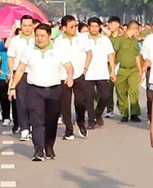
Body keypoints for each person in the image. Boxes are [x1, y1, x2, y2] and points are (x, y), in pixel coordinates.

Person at [11, 22, 74, 162]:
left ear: (49, 36)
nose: (39, 38)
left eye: (42, 36)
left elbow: (69, 66)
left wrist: (70, 76)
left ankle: (49, 146)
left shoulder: (58, 51)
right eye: (37, 36)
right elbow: (20, 70)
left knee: (51, 121)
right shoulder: (29, 51)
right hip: (35, 91)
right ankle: (38, 149)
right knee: (37, 121)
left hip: (54, 91)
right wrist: (12, 86)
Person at [84, 17, 116, 128]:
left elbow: (110, 55)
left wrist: (112, 71)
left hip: (102, 72)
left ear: (100, 27)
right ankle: (91, 121)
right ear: (88, 27)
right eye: (91, 26)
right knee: (89, 98)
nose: (94, 29)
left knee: (105, 96)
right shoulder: (83, 39)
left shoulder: (105, 40)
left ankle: (98, 114)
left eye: (96, 26)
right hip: (88, 73)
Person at [112, 20, 143, 122]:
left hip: (133, 69)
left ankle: (134, 113)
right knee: (121, 91)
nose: (137, 32)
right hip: (122, 69)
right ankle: (124, 113)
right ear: (133, 29)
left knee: (134, 91)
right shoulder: (119, 40)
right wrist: (113, 69)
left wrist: (140, 69)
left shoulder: (135, 41)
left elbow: (137, 56)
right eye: (137, 30)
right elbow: (113, 54)